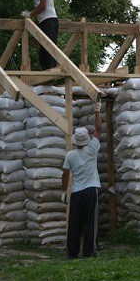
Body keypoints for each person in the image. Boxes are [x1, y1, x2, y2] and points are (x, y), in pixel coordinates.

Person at [61, 100, 102, 258]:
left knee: (74, 224)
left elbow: (65, 174)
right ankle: (89, 252)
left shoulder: (70, 155)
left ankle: (72, 252)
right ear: (86, 139)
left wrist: (64, 191)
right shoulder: (92, 149)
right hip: (91, 190)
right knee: (91, 223)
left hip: (76, 193)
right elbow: (98, 129)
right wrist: (97, 109)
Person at [22, 0, 58, 70]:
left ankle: (51, 72)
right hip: (44, 21)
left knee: (49, 46)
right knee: (44, 48)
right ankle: (46, 71)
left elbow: (43, 5)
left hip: (49, 20)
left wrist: (30, 14)